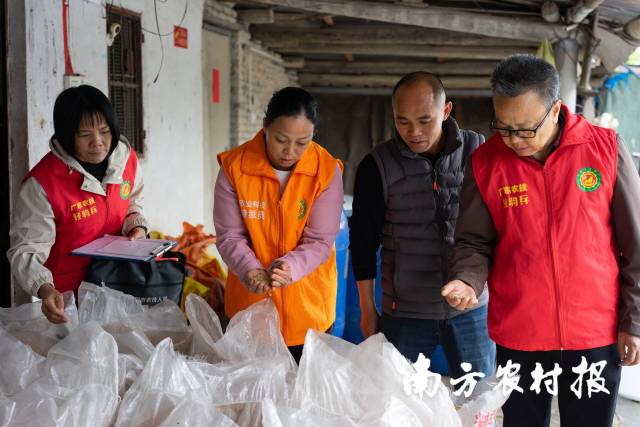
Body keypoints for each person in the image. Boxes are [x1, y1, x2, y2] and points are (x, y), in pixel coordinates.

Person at [445, 54, 640, 427]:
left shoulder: (604, 150)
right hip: (521, 335)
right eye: (503, 128)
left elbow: (635, 245)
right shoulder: (486, 163)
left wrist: (635, 321)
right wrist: (467, 279)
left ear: (555, 110)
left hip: (593, 334)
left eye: (525, 129)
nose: (514, 140)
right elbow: (472, 241)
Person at [349, 71, 494, 379]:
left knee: (480, 400)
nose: (413, 132)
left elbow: (496, 229)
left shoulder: (477, 153)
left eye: (425, 120)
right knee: (399, 405)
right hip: (405, 314)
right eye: (402, 121)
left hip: (471, 310)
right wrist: (367, 310)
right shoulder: (377, 166)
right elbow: (362, 242)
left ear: (446, 111)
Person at [214, 87, 344, 362]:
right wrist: (249, 269)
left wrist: (290, 267)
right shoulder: (235, 167)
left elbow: (320, 240)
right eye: (281, 139)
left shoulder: (325, 170)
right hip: (251, 311)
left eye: (302, 142)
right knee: (254, 398)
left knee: (303, 396)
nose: (290, 151)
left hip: (308, 310)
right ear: (265, 128)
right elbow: (229, 236)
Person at [8, 85, 148, 324]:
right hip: (69, 302)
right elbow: (27, 249)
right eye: (85, 135)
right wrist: (44, 288)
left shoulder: (125, 159)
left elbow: (131, 201)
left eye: (104, 131)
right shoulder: (43, 184)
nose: (98, 142)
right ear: (67, 135)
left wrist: (136, 225)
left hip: (118, 288)